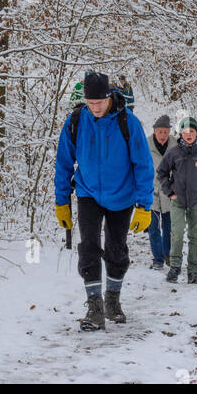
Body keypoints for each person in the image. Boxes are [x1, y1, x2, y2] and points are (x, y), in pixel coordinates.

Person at [55, 71, 154, 330]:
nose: (94, 108)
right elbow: (63, 163)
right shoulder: (76, 120)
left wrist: (145, 206)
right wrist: (61, 201)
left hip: (122, 195)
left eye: (98, 102)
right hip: (88, 193)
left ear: (109, 97)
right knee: (88, 246)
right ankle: (94, 308)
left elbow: (143, 165)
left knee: (116, 249)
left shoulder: (128, 122)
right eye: (90, 103)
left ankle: (112, 300)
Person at [157, 116, 197, 284]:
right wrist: (170, 192)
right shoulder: (174, 152)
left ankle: (193, 271)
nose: (189, 134)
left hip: (196, 201)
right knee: (176, 234)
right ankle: (175, 268)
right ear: (181, 134)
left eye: (192, 131)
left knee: (194, 236)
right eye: (185, 132)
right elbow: (162, 172)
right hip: (177, 200)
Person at [147, 114, 177, 268]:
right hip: (151, 192)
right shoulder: (146, 144)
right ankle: (157, 259)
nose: (163, 135)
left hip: (169, 191)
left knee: (169, 227)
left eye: (165, 132)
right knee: (153, 228)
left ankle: (168, 255)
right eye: (160, 132)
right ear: (154, 131)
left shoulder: (176, 145)